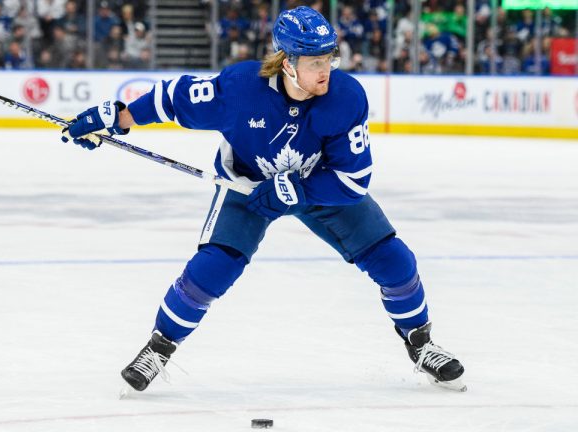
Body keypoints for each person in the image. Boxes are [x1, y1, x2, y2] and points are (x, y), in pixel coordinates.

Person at [61, 6, 466, 394]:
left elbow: (354, 180)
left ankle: (420, 342)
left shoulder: (345, 98)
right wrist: (116, 116)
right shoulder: (240, 89)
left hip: (318, 186)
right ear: (287, 62)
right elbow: (173, 99)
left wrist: (298, 190)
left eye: (329, 58)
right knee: (212, 270)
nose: (325, 69)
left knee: (394, 260)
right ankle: (159, 348)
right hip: (248, 187)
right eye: (313, 62)